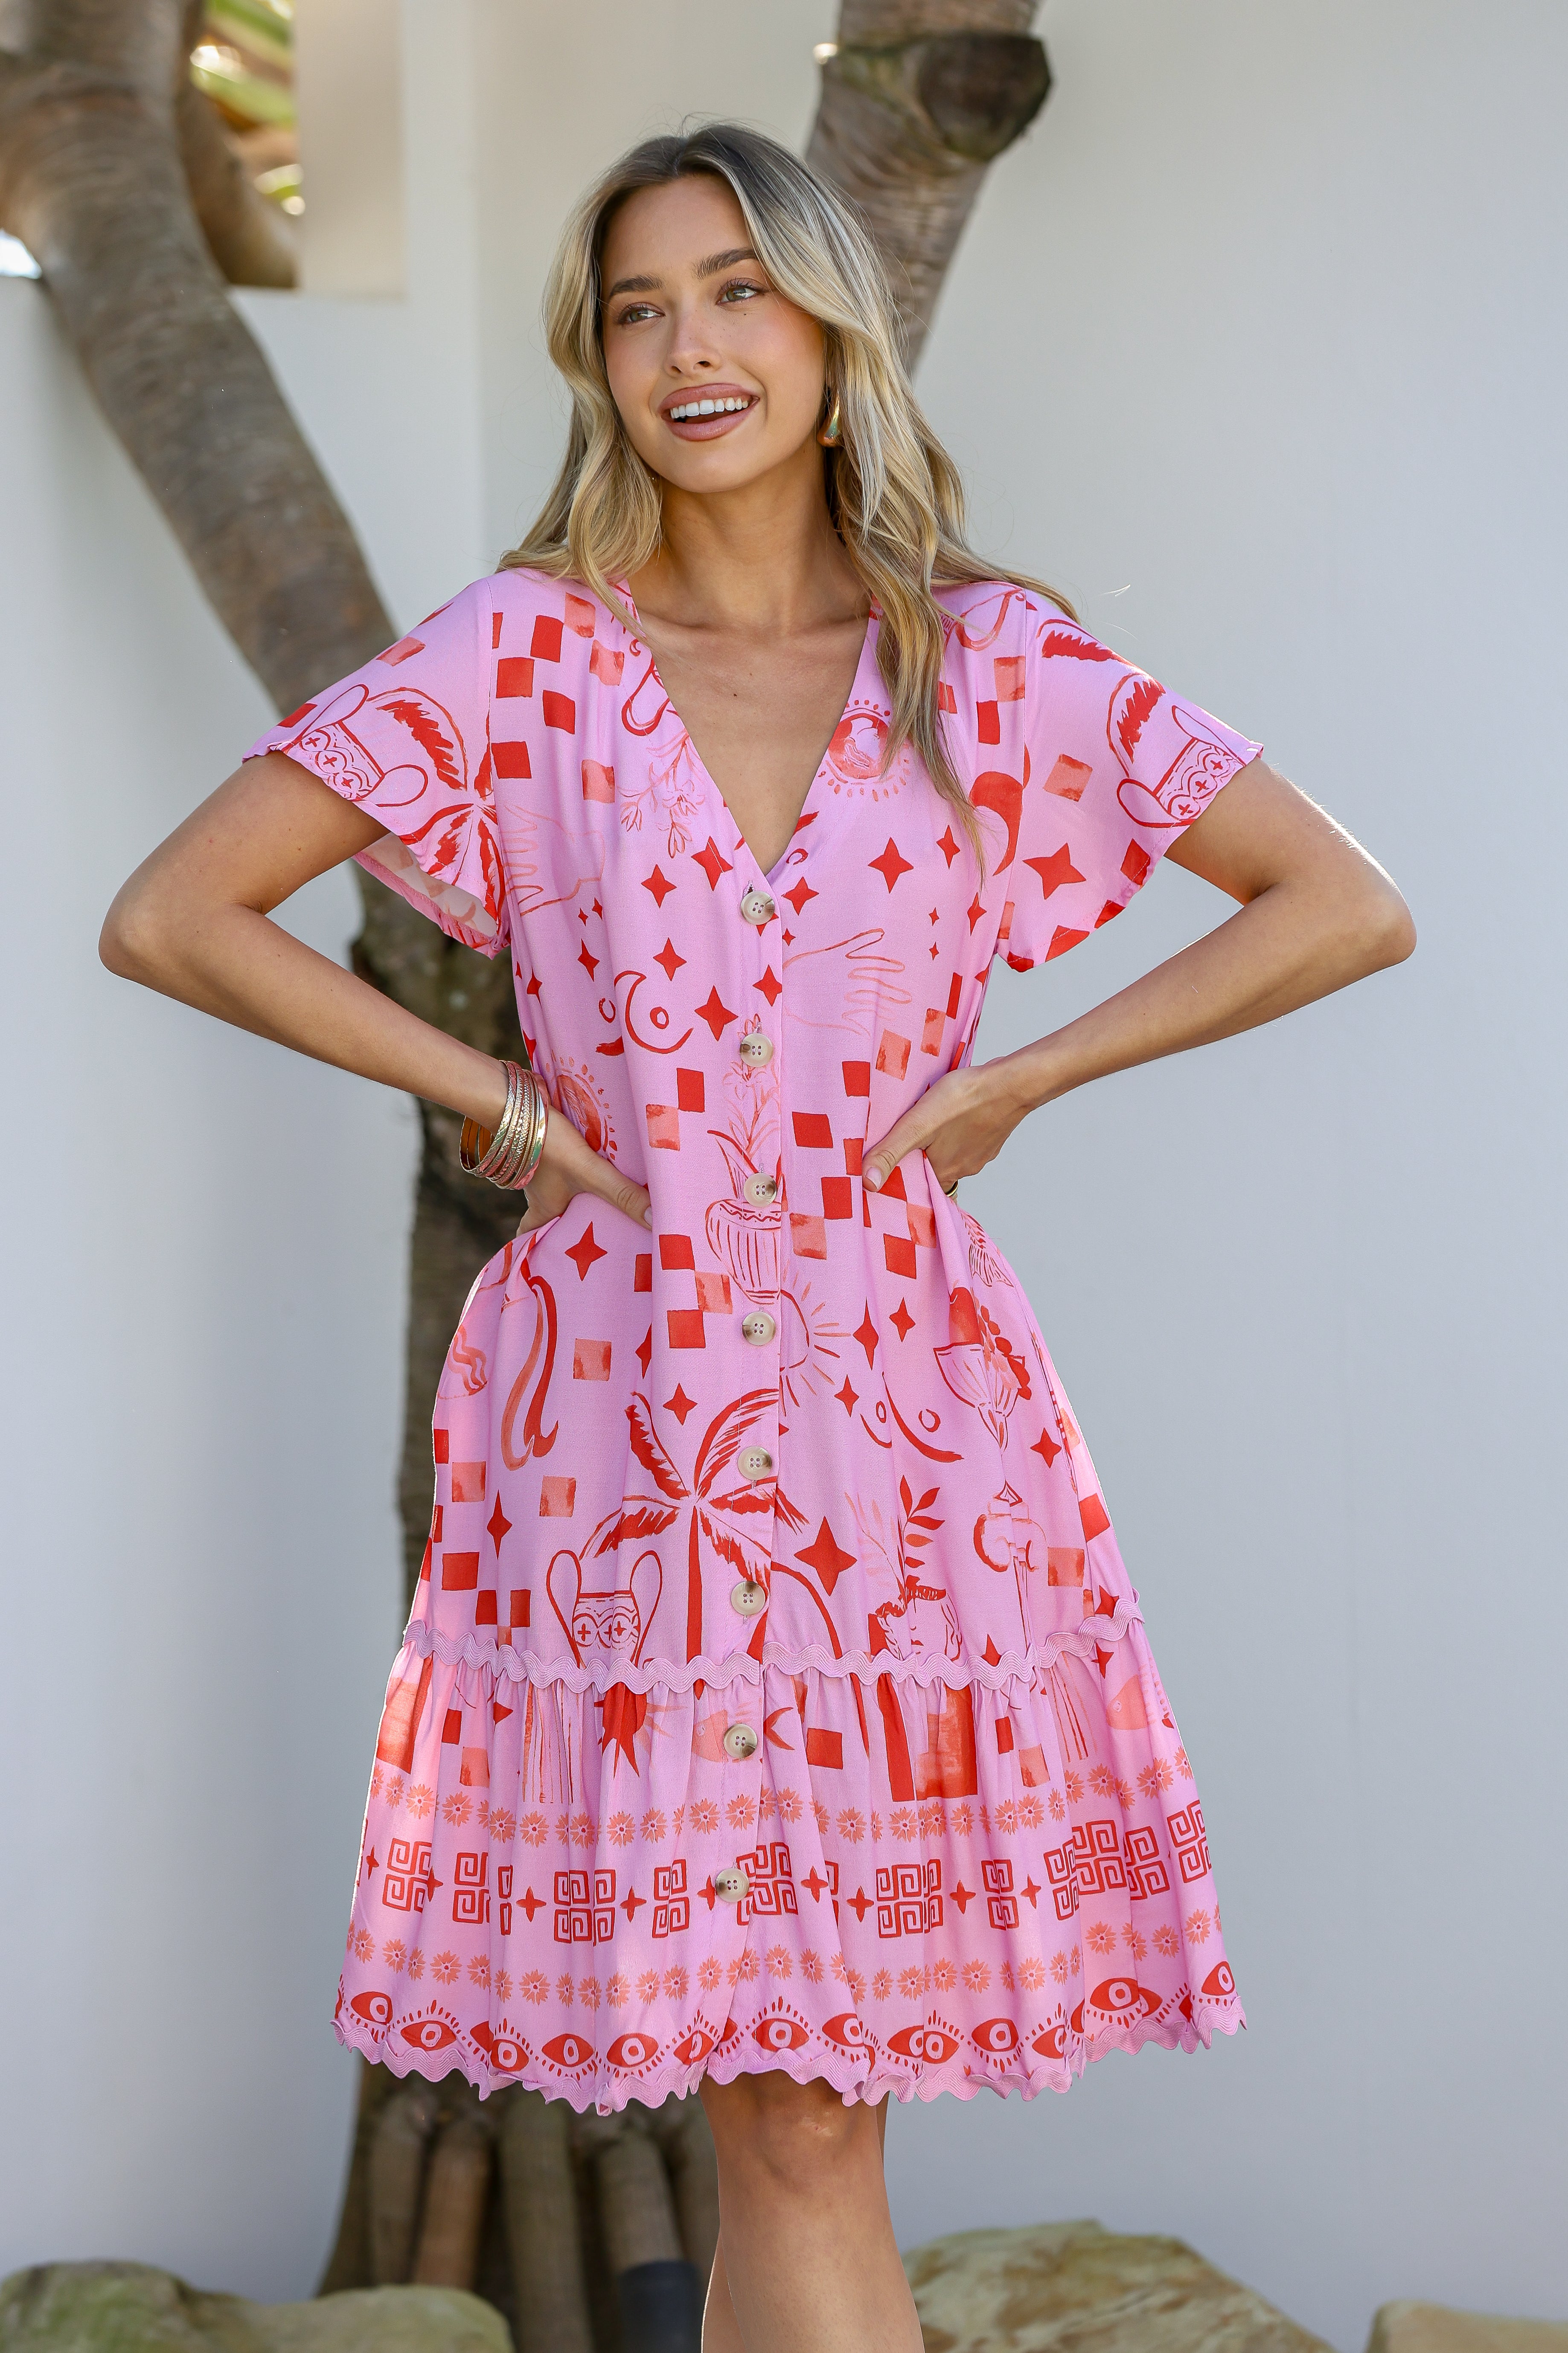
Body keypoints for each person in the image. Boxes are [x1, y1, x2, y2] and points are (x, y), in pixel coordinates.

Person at [101, 122, 1413, 2353]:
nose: (688, 346)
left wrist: (1018, 1079)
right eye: (636, 309)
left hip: (901, 1436)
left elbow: (1345, 903)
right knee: (772, 2108)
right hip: (625, 1429)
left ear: (830, 328)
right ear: (594, 362)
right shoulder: (524, 659)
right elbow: (175, 916)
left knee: (821, 2109)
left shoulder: (988, 666)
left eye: (734, 291)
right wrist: (504, 1098)